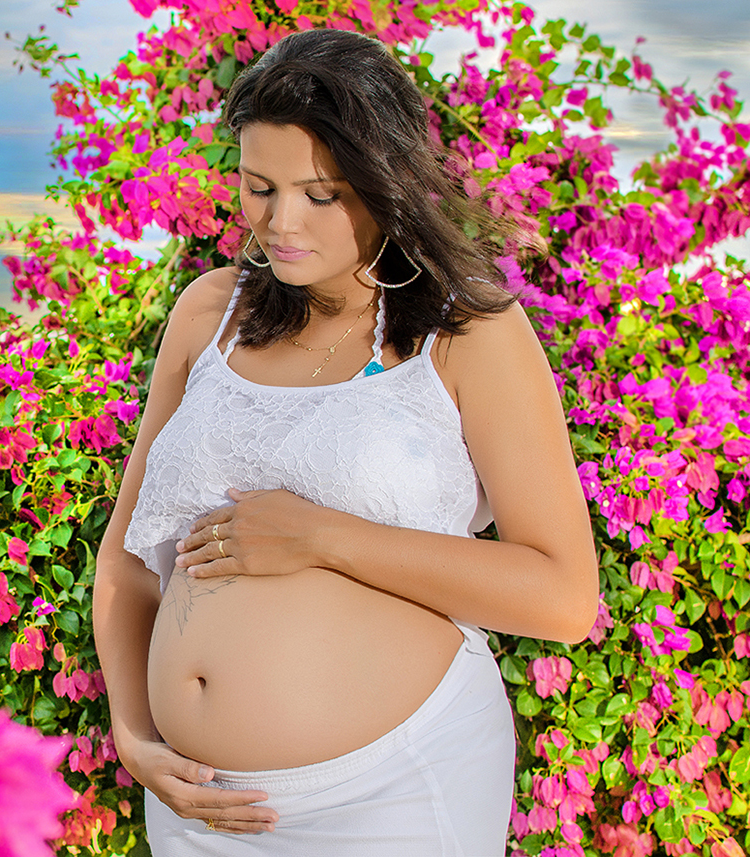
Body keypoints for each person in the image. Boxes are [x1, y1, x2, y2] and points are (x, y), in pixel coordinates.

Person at [92, 28, 599, 857]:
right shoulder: (208, 312)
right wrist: (133, 732)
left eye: (321, 195)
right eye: (260, 187)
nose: (281, 223)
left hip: (393, 794)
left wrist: (323, 538)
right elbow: (126, 561)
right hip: (199, 808)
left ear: (386, 180)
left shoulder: (466, 331)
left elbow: (563, 595)